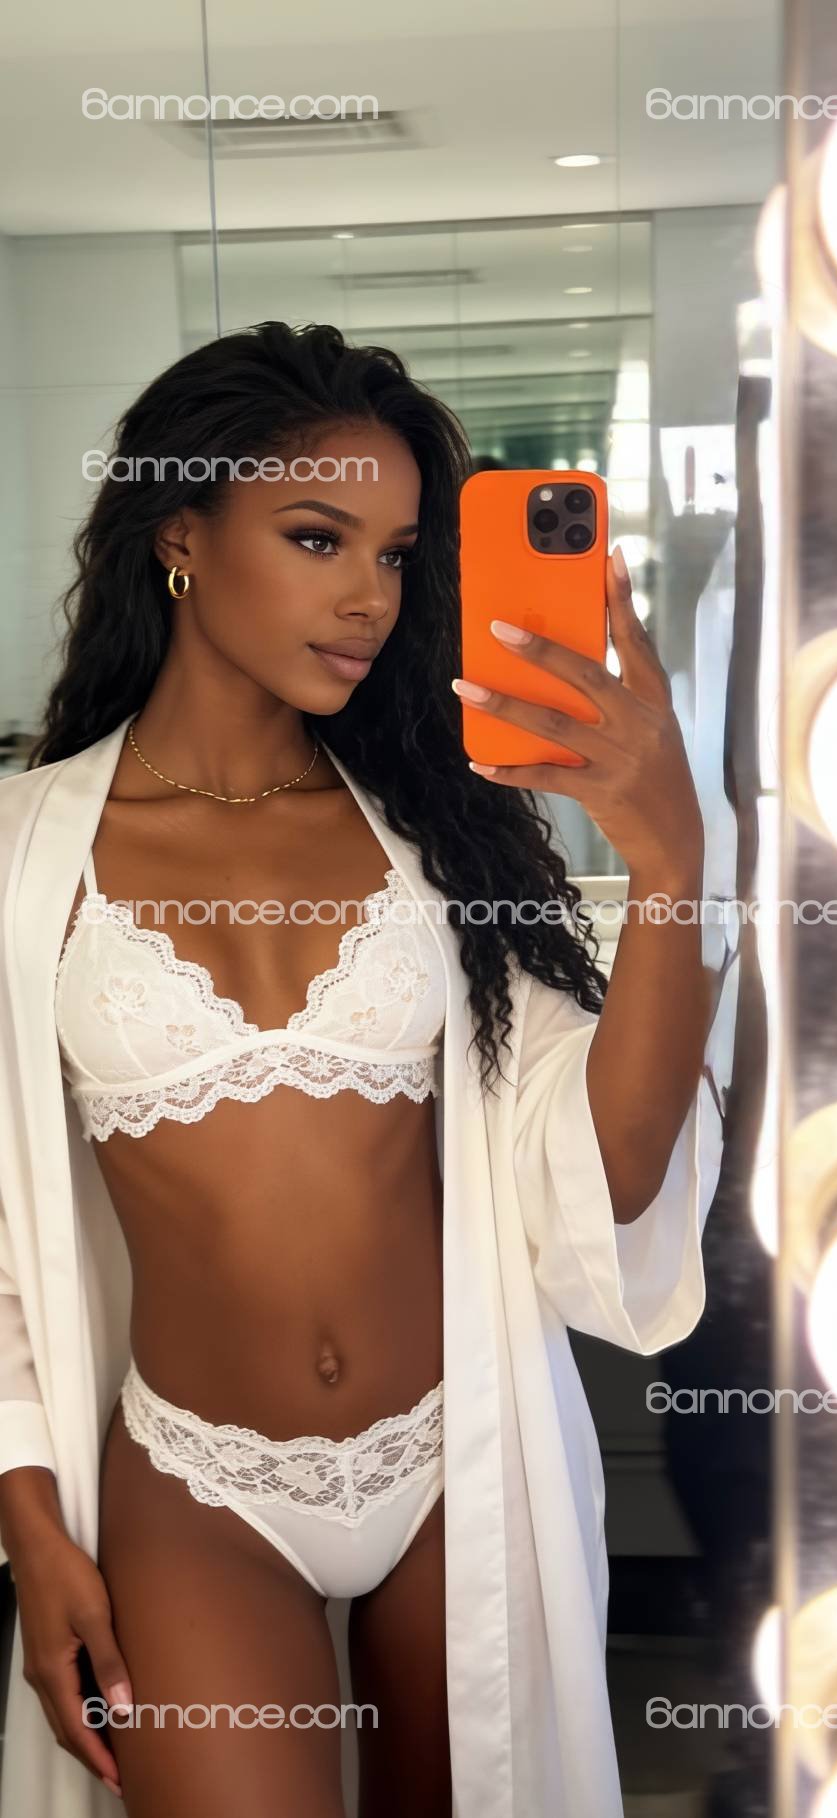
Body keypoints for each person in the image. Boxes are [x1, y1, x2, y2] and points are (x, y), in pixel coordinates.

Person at [0, 320, 719, 1818]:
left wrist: (672, 865)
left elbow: (610, 1173)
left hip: (462, 1457)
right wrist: (31, 1528)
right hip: (198, 1489)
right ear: (179, 535)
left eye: (396, 555)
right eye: (318, 537)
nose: (370, 597)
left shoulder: (440, 841)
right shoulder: (22, 855)